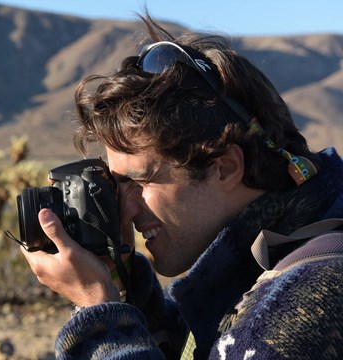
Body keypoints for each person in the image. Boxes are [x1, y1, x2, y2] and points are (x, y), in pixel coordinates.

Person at [20, 14, 343, 359]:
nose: (126, 210)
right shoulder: (256, 264)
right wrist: (120, 282)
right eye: (118, 185)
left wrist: (99, 313)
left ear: (226, 168)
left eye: (141, 180)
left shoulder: (315, 293)